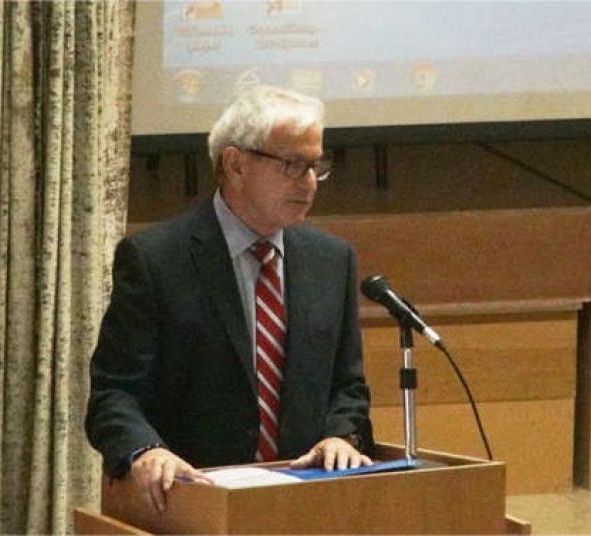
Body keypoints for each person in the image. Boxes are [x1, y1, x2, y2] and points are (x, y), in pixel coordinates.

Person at [85, 85, 374, 514]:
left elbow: (347, 386)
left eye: (315, 166)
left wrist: (341, 436)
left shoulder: (332, 260)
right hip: (189, 500)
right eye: (293, 165)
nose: (310, 182)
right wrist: (146, 450)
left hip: (305, 502)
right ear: (235, 164)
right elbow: (115, 393)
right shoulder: (156, 259)